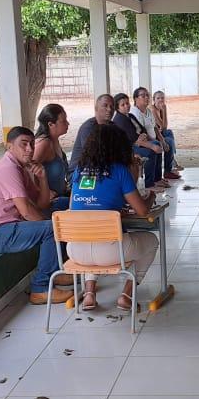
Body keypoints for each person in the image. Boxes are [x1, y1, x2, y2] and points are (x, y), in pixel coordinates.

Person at [0, 126, 73, 305]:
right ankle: (40, 288)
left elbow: (42, 204)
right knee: (52, 228)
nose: (30, 149)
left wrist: (42, 178)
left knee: (62, 205)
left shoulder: (21, 168)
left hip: (8, 225)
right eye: (23, 144)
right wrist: (53, 225)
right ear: (9, 147)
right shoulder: (7, 168)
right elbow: (26, 210)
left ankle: (56, 271)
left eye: (32, 144)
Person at [69, 123, 160, 312]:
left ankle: (89, 294)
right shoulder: (119, 171)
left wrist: (110, 210)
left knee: (90, 232)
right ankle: (126, 295)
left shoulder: (79, 170)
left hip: (75, 250)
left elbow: (74, 208)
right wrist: (151, 196)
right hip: (110, 252)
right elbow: (142, 211)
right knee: (151, 240)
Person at [113, 92, 166, 192]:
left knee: (157, 144)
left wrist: (144, 136)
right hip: (127, 149)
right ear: (117, 108)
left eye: (127, 103)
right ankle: (149, 184)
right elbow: (133, 139)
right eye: (123, 105)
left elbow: (142, 129)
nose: (126, 106)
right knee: (150, 152)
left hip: (136, 143)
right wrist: (150, 145)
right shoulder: (120, 120)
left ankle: (157, 179)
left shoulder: (130, 116)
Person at [132, 86, 180, 180]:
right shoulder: (136, 113)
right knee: (157, 144)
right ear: (136, 98)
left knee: (168, 140)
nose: (146, 97)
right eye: (143, 95)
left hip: (153, 138)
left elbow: (156, 128)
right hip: (142, 142)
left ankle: (167, 171)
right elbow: (142, 135)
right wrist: (156, 142)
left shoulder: (148, 111)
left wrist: (162, 140)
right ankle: (154, 180)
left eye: (147, 95)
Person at [32, 103, 71, 211]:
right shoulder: (44, 144)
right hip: (50, 202)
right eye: (63, 121)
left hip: (60, 195)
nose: (68, 123)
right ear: (50, 124)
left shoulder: (54, 141)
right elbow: (27, 171)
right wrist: (44, 191)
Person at [69, 94, 121, 174]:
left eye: (112, 106)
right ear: (96, 108)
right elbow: (93, 156)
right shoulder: (88, 127)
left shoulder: (112, 126)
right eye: (105, 106)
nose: (109, 109)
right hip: (80, 171)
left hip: (100, 167)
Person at [151, 90, 184, 173]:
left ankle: (172, 158)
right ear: (154, 100)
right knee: (169, 140)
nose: (160, 100)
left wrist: (163, 110)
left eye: (162, 98)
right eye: (158, 98)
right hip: (154, 135)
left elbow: (165, 127)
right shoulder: (153, 109)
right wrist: (164, 110)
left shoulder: (160, 108)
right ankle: (171, 163)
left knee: (169, 132)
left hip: (160, 133)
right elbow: (163, 126)